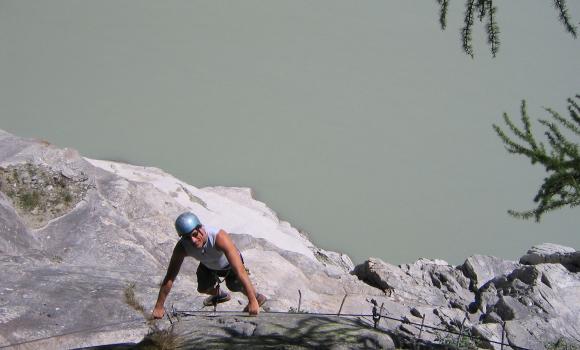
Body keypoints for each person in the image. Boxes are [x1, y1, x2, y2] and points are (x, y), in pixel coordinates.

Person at [152, 212, 266, 318]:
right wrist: (159, 306)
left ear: (201, 228)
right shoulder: (182, 247)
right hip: (208, 265)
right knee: (203, 288)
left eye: (195, 234)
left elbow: (240, 271)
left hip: (228, 265)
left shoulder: (219, 237)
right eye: (187, 238)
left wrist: (252, 300)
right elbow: (170, 277)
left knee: (234, 285)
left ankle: (257, 297)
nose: (193, 240)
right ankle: (220, 295)